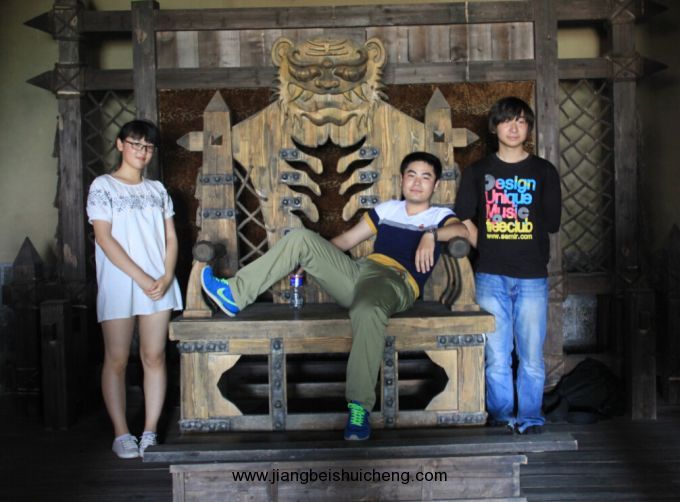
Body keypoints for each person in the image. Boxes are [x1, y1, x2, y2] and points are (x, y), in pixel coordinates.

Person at [201, 151, 471, 440]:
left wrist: (431, 234)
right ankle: (235, 294)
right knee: (301, 239)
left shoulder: (439, 217)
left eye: (425, 177)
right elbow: (346, 240)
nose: (417, 182)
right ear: (402, 179)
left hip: (395, 282)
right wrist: (311, 259)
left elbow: (463, 231)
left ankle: (359, 408)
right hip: (360, 272)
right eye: (411, 175)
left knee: (367, 309)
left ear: (435, 185)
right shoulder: (387, 210)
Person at [455, 97, 562, 434]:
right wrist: (486, 245)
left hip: (532, 276)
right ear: (494, 127)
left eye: (520, 121)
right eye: (506, 121)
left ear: (528, 128)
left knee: (531, 356)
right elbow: (462, 217)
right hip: (490, 275)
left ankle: (530, 418)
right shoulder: (478, 172)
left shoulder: (544, 171)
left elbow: (553, 223)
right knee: (497, 356)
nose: (513, 128)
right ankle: (501, 418)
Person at [86, 120, 183, 458]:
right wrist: (141, 278)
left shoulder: (157, 190)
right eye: (136, 144)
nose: (142, 152)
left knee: (154, 356)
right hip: (120, 283)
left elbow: (171, 237)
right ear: (120, 145)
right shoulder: (103, 186)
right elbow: (104, 238)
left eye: (148, 147)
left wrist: (166, 276)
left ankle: (150, 431)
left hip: (158, 284)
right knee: (116, 359)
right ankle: (121, 433)